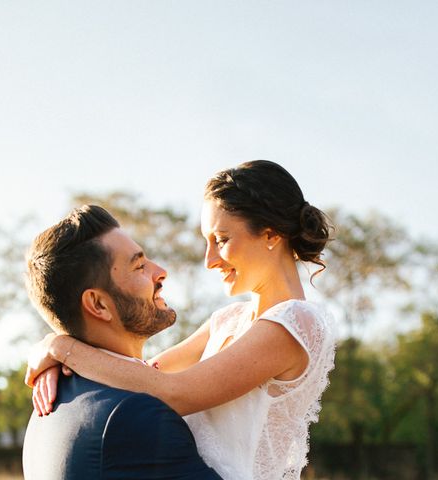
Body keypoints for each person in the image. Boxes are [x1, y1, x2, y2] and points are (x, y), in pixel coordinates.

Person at [26, 160, 336, 480]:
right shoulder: (228, 319)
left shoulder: (296, 323)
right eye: (207, 242)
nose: (209, 260)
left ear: (271, 234)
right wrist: (63, 364)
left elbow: (175, 392)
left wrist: (63, 348)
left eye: (222, 239)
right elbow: (141, 375)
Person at [22, 205, 222, 480]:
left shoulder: (45, 413)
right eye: (139, 266)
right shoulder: (135, 415)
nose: (160, 272)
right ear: (98, 304)